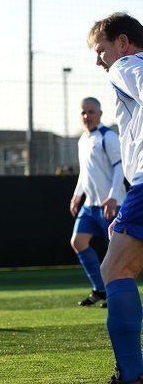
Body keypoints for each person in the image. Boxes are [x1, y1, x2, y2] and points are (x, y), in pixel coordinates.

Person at [84, 12, 143, 384]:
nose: (99, 60)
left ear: (122, 43)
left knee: (114, 271)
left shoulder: (127, 65)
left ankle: (131, 382)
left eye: (101, 50)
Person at [70, 97, 125, 308]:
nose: (87, 116)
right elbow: (85, 174)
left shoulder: (108, 137)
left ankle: (118, 295)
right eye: (83, 112)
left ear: (100, 114)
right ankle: (100, 289)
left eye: (91, 112)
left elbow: (120, 168)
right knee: (78, 242)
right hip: (90, 206)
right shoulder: (83, 140)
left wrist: (112, 196)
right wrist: (77, 195)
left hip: (112, 205)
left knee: (118, 254)